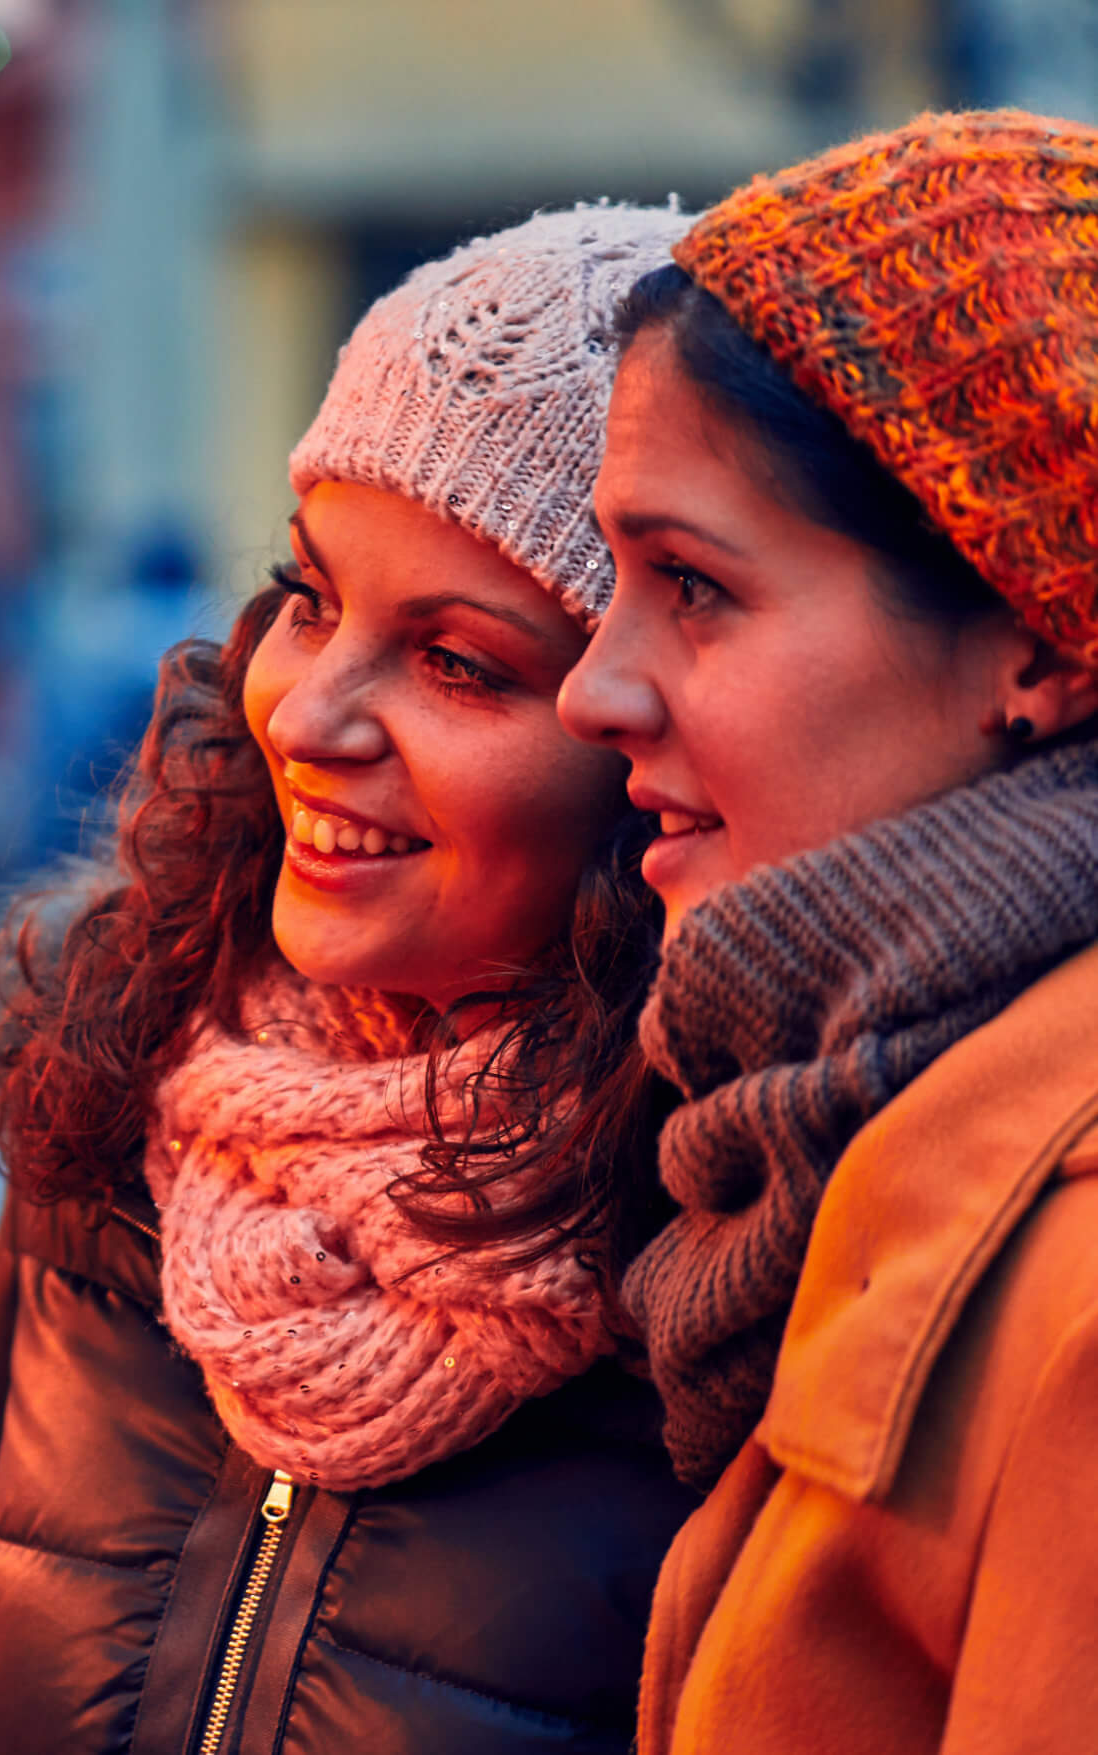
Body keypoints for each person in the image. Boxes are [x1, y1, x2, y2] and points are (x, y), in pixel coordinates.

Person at [0, 205, 700, 1755]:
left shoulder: (734, 1249)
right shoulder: (117, 1091)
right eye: (311, 597)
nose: (309, 714)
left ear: (650, 747)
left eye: (460, 662)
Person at [556, 108, 1098, 1755]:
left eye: (694, 587)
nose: (594, 686)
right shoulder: (829, 1135)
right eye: (608, 580)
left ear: (1033, 646)